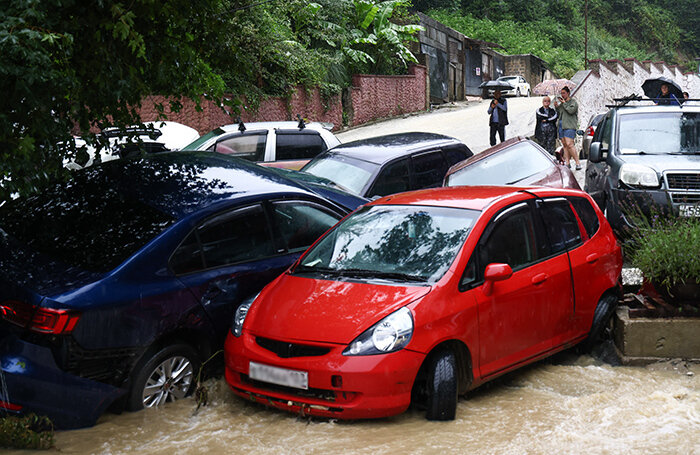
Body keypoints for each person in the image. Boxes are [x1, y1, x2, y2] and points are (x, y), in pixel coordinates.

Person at [554, 86, 580, 170]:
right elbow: (560, 113)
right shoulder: (562, 103)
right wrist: (557, 107)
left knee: (570, 144)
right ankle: (567, 162)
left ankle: (577, 162)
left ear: (568, 93)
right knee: (564, 144)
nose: (562, 95)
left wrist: (564, 103)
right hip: (561, 125)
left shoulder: (573, 102)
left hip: (569, 125)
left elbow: (571, 111)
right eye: (561, 93)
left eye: (564, 93)